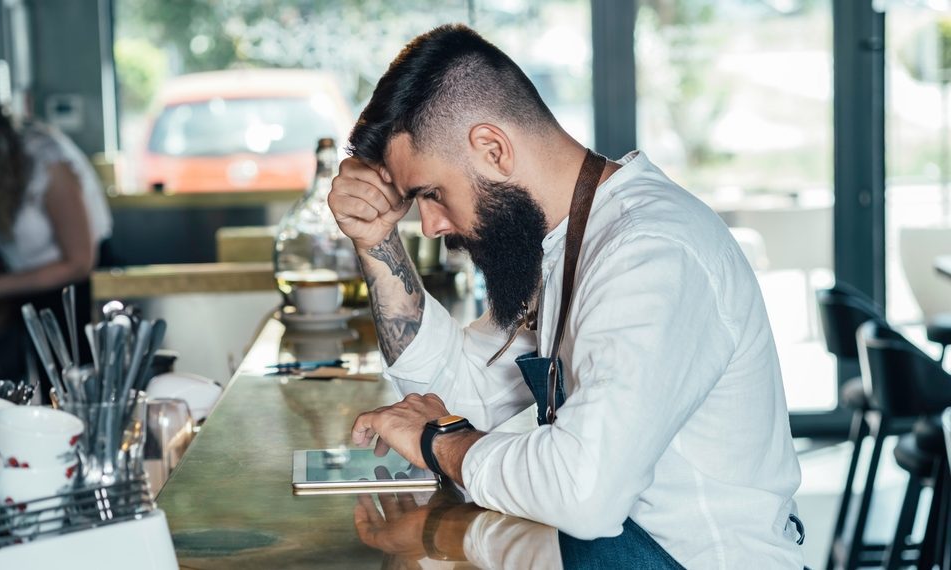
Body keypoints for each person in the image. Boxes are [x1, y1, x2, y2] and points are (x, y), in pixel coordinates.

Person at [329, 24, 803, 568]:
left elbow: (586, 492)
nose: (430, 224)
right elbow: (457, 391)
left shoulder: (650, 253)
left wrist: (444, 443)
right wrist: (376, 241)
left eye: (432, 194)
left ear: (493, 148)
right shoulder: (562, 245)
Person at [0, 92, 112, 388]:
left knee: (70, 393)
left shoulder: (45, 159)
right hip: (26, 288)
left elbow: (79, 263)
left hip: (73, 295)